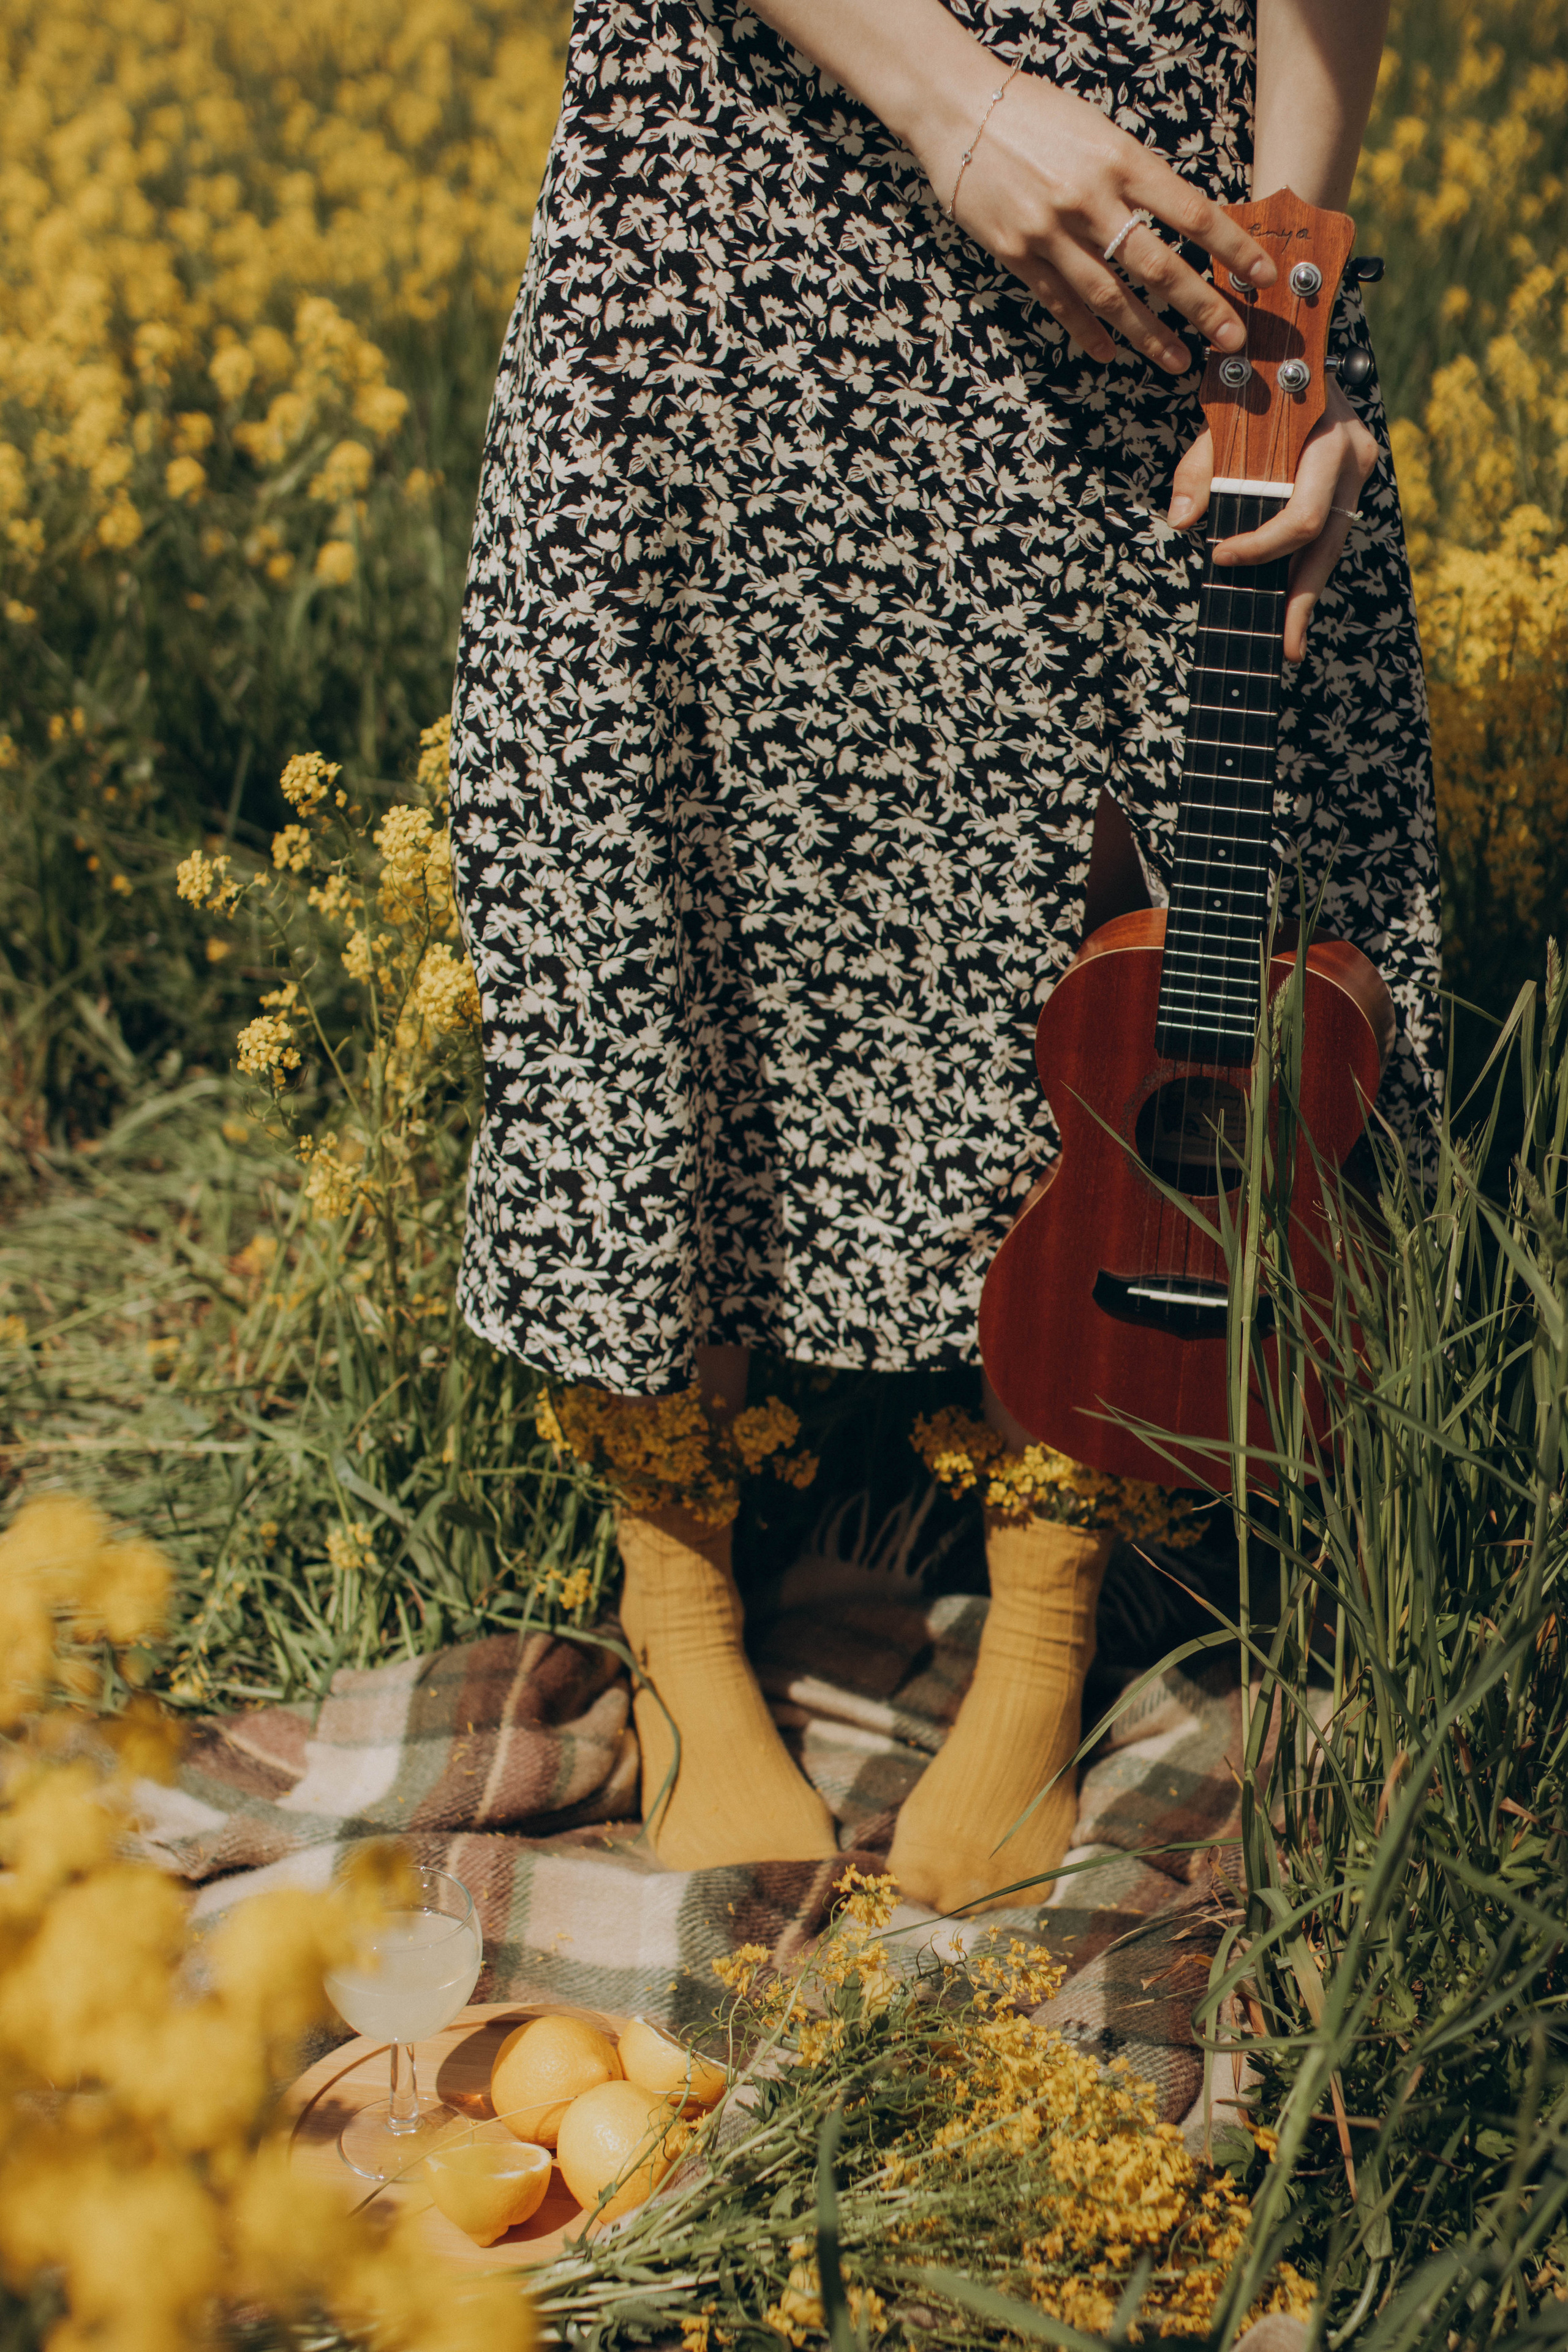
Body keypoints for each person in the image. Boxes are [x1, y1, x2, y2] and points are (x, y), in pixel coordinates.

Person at [450, 0, 1438, 1911]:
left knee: (1143, 911)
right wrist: (956, 102)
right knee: (663, 868)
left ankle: (1051, 1602)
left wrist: (1291, 335)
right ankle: (676, 1591)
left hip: (1160, 256)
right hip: (744, 174)